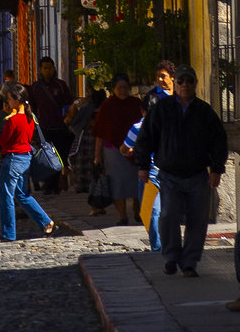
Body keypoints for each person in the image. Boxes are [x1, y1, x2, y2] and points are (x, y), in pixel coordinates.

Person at [134, 65, 227, 279]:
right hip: (169, 174)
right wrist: (143, 166)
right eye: (181, 81)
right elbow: (147, 136)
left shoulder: (204, 112)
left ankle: (190, 263)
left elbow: (218, 141)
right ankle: (171, 256)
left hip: (197, 174)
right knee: (168, 215)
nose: (185, 85)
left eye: (189, 81)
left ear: (195, 84)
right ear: (175, 84)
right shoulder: (162, 109)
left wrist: (217, 169)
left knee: (197, 219)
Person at [121, 60, 175, 252]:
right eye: (158, 76)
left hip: (157, 169)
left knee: (153, 210)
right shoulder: (156, 97)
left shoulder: (139, 126)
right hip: (162, 167)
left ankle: (159, 246)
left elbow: (125, 147)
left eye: (163, 76)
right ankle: (165, 244)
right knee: (158, 210)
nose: (160, 80)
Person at [0, 83, 55, 242]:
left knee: (6, 196)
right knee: (22, 194)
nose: (7, 102)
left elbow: (3, 140)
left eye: (9, 99)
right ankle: (46, 221)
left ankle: (9, 234)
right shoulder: (30, 117)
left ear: (17, 100)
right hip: (26, 158)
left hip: (13, 158)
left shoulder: (13, 120)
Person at [92, 72, 142, 224]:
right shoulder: (107, 106)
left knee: (136, 182)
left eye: (125, 87)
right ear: (113, 89)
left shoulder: (136, 104)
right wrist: (97, 156)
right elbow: (99, 133)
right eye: (119, 88)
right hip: (113, 152)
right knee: (117, 184)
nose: (123, 91)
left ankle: (137, 211)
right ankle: (122, 215)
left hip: (134, 151)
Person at [26, 57, 74, 194]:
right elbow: (32, 108)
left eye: (50, 67)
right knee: (47, 157)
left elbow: (69, 103)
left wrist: (68, 117)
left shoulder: (60, 85)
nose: (48, 70)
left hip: (60, 126)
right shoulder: (35, 87)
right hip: (44, 127)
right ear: (40, 70)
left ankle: (55, 184)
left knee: (59, 156)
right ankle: (49, 185)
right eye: (45, 68)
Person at [69, 88, 106, 200]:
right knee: (86, 161)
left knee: (85, 161)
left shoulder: (93, 107)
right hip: (88, 137)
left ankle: (85, 185)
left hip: (88, 138)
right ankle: (85, 185)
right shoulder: (88, 107)